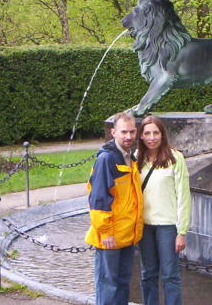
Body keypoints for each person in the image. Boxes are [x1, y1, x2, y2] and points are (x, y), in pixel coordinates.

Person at [85, 112, 143, 305]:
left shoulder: (129, 158)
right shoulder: (107, 159)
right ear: (113, 132)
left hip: (126, 234)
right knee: (108, 284)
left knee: (122, 282)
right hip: (110, 236)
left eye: (132, 131)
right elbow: (98, 199)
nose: (128, 136)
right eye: (123, 132)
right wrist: (106, 232)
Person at [136, 115, 191, 305]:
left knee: (170, 276)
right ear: (141, 136)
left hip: (167, 226)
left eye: (156, 133)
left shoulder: (175, 158)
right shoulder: (136, 159)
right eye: (147, 133)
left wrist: (181, 232)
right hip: (144, 226)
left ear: (162, 134)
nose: (152, 137)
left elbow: (184, 197)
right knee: (148, 274)